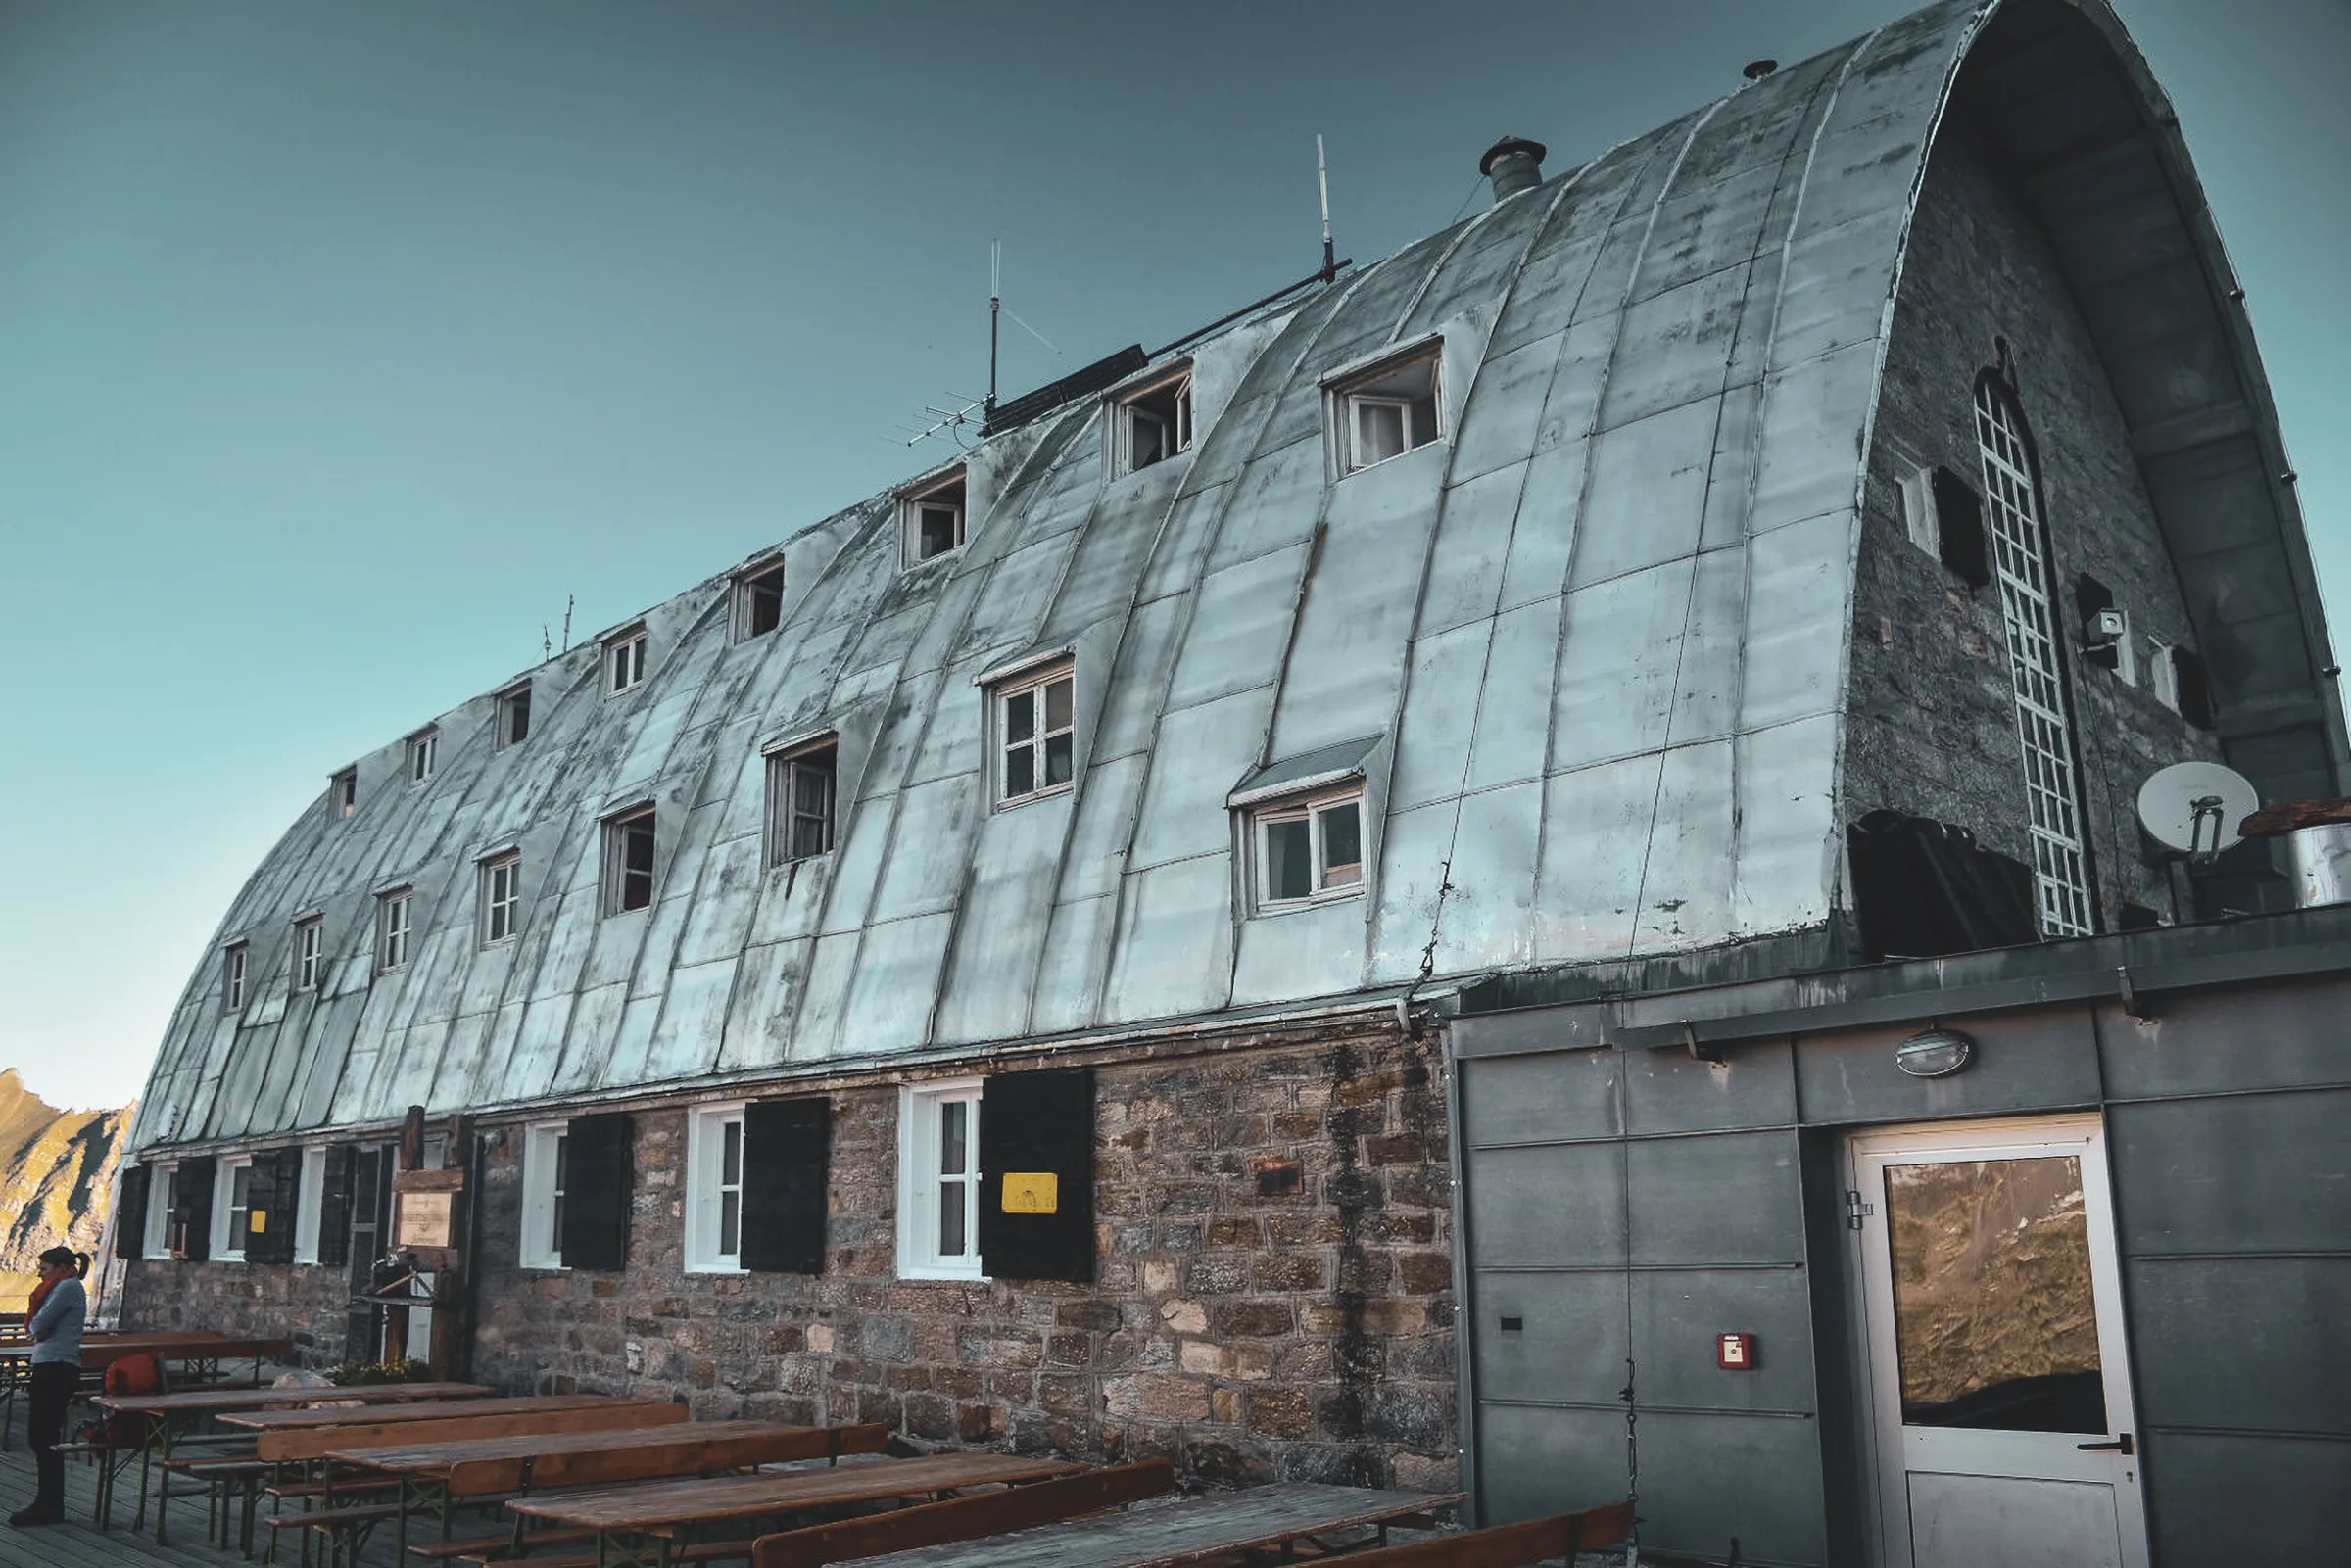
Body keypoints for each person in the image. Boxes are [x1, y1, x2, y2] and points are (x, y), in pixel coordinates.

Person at [12, 1246, 87, 1528]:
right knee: (42, 1435)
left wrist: (34, 1327)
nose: (39, 1274)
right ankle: (46, 1501)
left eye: (43, 1268)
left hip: (56, 1366)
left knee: (44, 1436)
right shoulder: (63, 1287)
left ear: (59, 1267)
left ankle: (50, 1504)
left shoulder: (67, 1287)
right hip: (51, 1364)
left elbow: (39, 1327)